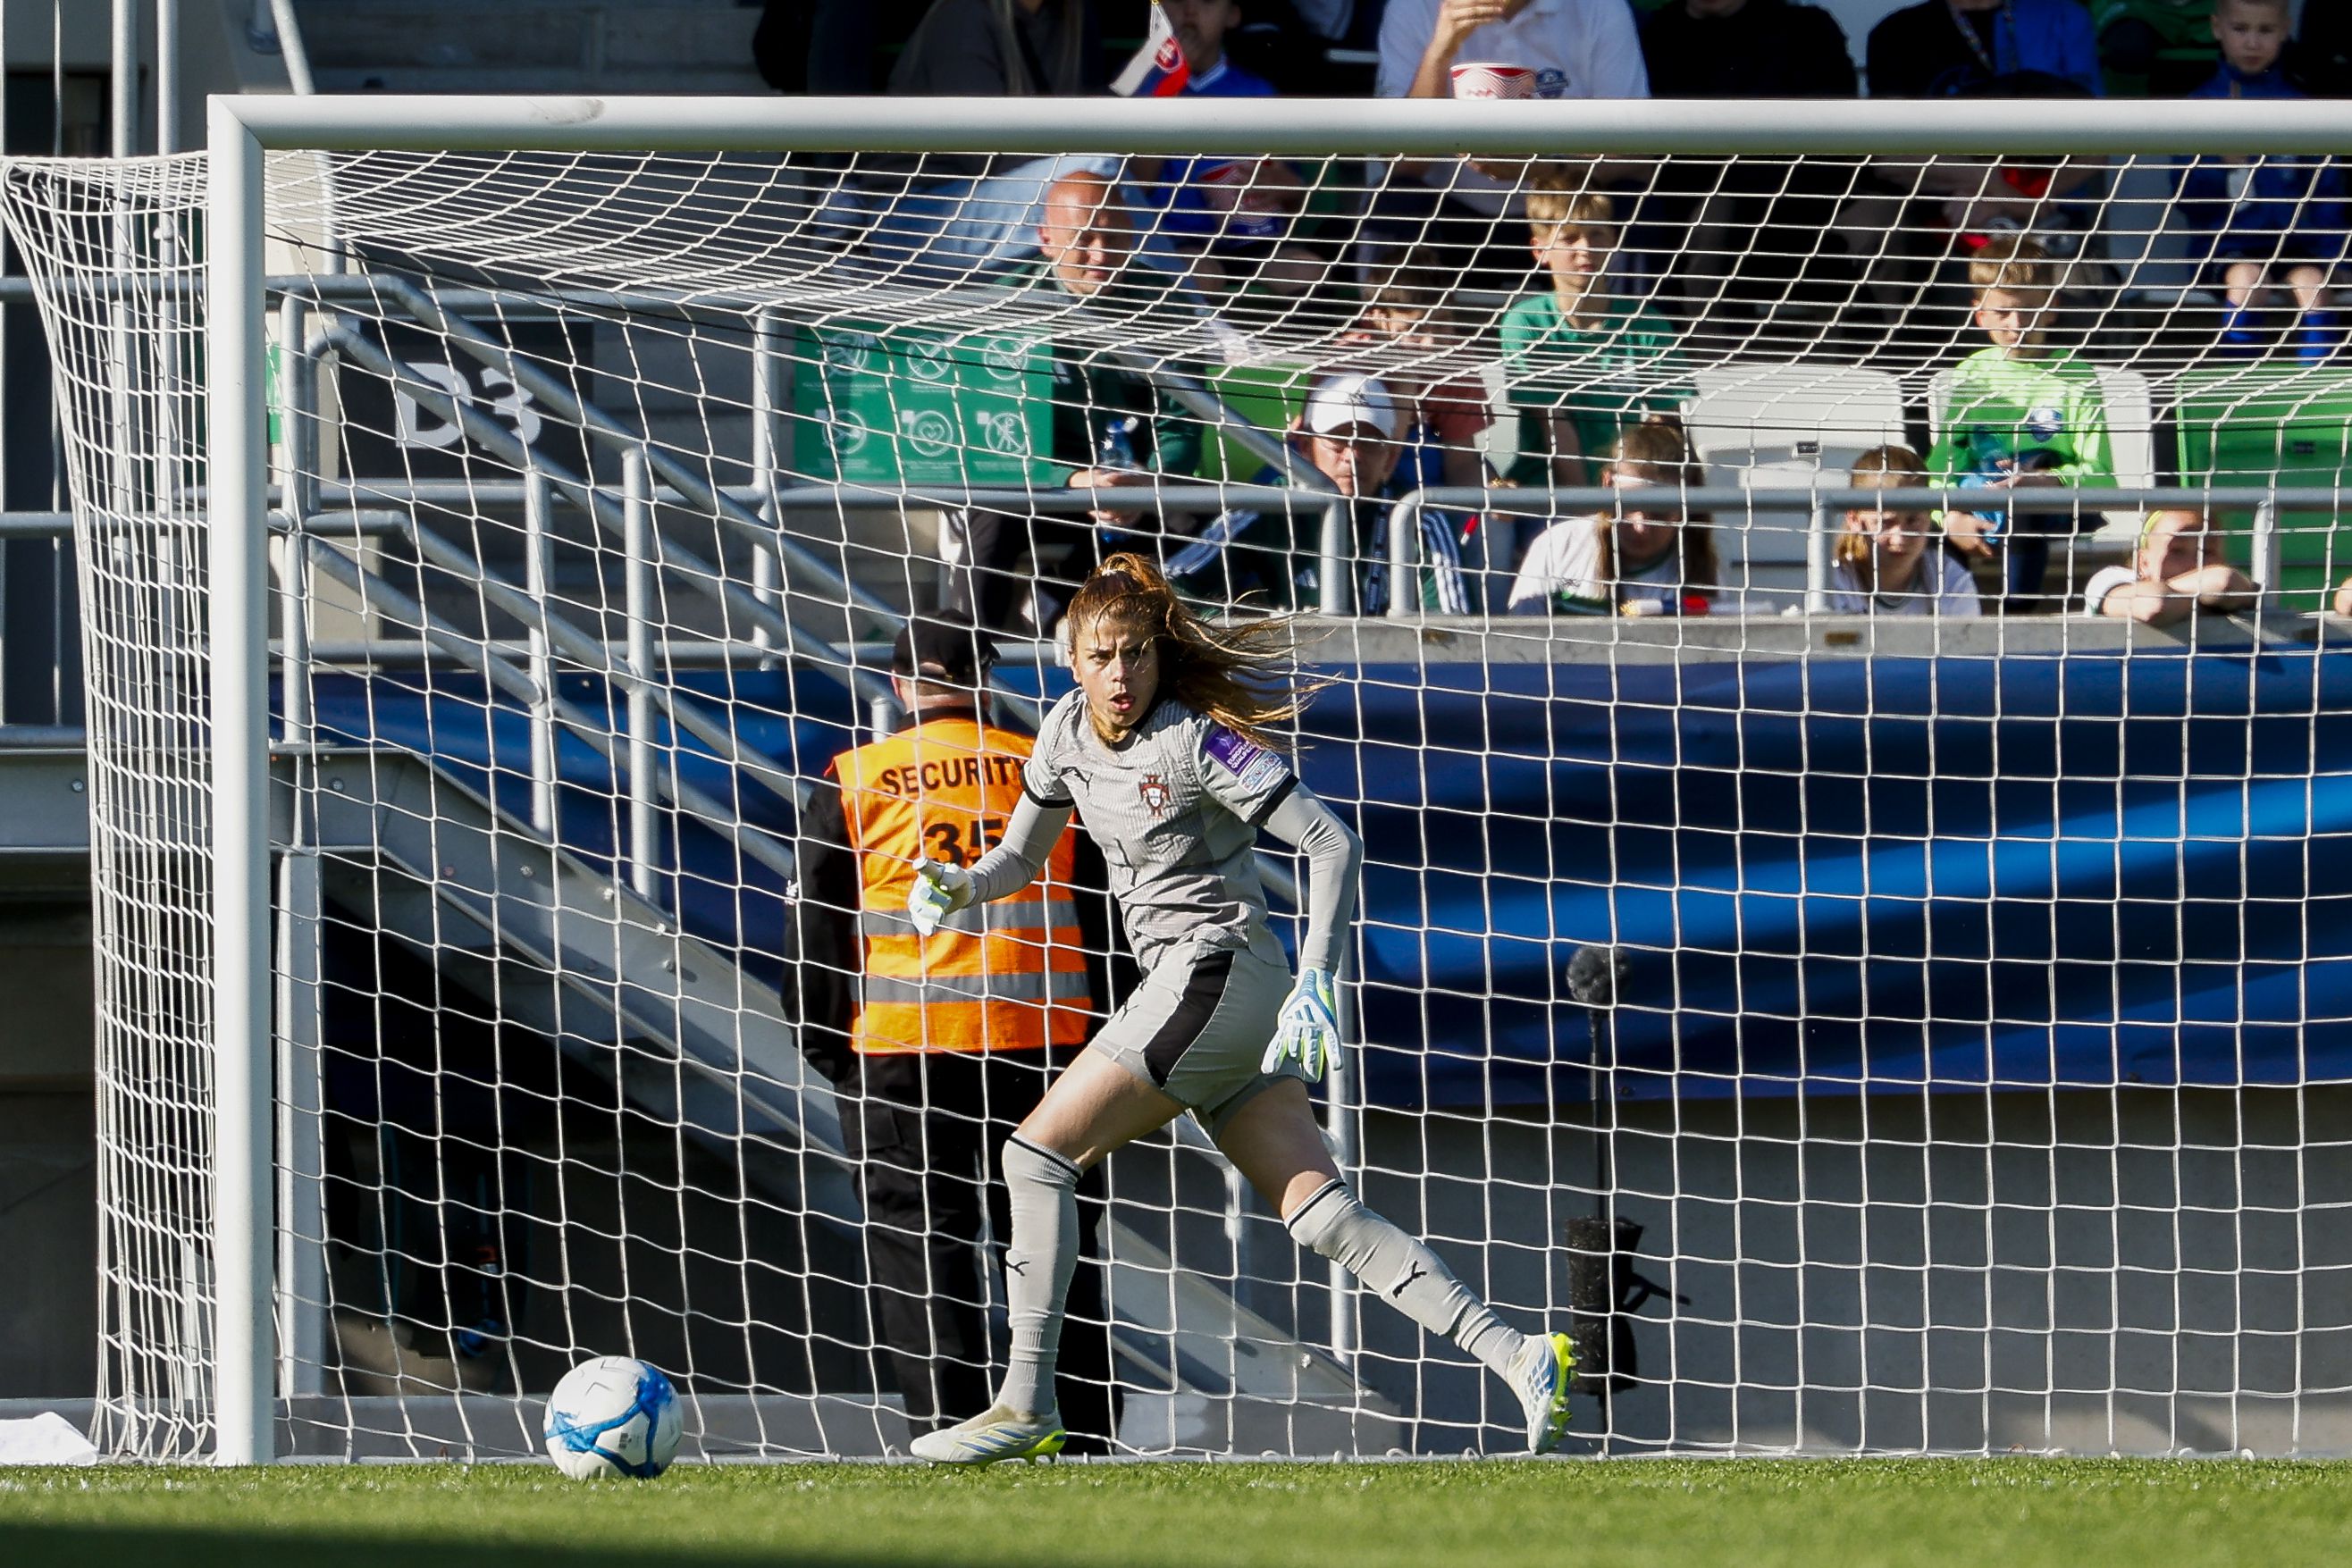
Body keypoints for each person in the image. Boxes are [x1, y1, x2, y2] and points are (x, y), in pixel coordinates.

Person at [900, 553, 1576, 1464]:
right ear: (1070, 660)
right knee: (1319, 1213)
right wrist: (959, 885)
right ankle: (1519, 1354)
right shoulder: (1060, 733)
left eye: (1135, 655)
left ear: (1158, 657)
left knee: (1033, 1158)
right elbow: (1020, 861)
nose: (1119, 675)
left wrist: (1317, 978)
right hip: (1210, 997)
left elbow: (1332, 841)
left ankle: (1025, 1404)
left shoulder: (1196, 739)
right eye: (1101, 656)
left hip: (1219, 977)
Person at [785, 613, 1126, 1453]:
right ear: (984, 677)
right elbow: (1103, 912)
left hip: (903, 1049)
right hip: (1045, 1042)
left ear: (899, 685)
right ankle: (1077, 1431)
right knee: (1053, 1239)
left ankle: (948, 1427)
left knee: (920, 1241)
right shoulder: (1043, 768)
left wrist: (828, 1043)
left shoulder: (857, 775)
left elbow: (821, 924)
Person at [943, 172, 1205, 633]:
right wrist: (1071, 478)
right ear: (1046, 239)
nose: (1101, 254)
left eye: (1115, 237)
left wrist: (1146, 480)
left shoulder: (1168, 308)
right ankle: (968, 661)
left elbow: (1183, 426)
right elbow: (990, 439)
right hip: (1044, 488)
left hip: (1135, 491)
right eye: (1084, 238)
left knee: (1217, 510)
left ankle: (1061, 606)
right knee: (994, 501)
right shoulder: (1008, 306)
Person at [1367, 0, 1651, 292]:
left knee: (1632, 201)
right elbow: (1401, 162)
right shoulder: (1413, 7)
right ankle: (1389, 333)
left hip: (1562, 212)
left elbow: (1634, 151)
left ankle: (1630, 334)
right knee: (1394, 199)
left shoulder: (1600, 8)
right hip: (1450, 213)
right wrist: (1440, 52)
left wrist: (1544, 168)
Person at [1160, 373, 1474, 614]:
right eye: (1337, 441)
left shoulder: (1419, 519)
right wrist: (1242, 632)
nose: (1352, 456)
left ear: (1390, 459)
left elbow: (1451, 624)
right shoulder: (1266, 507)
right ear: (1304, 447)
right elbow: (1173, 584)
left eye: (1368, 442)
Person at [1634, 0, 1859, 323]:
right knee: (1716, 223)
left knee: (1883, 226)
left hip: (1807, 192)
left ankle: (1886, 370)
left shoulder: (1807, 26)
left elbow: (1844, 127)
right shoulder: (1656, 34)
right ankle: (1715, 369)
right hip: (1704, 195)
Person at [1927, 235, 2114, 606]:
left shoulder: (2076, 377)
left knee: (2021, 503)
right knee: (1915, 524)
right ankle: (1952, 621)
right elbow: (1942, 469)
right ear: (1980, 314)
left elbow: (2103, 477)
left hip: (2051, 504)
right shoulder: (1971, 375)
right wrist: (1948, 518)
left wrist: (2048, 480)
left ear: (2053, 306)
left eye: (2030, 311)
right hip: (1982, 497)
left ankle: (2017, 615)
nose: (2018, 325)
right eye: (2003, 313)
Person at [2174, 0, 2347, 362]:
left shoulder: (2302, 107)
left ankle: (2317, 383)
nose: (2252, 42)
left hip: (2296, 245)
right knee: (2249, 281)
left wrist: (2335, 257)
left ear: (2284, 31)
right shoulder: (2200, 107)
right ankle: (2240, 380)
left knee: (2314, 286)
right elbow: (2185, 196)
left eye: (2265, 31)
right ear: (2217, 28)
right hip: (2228, 247)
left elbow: (2326, 191)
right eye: (2241, 29)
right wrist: (2221, 168)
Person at [1499, 187, 1688, 490]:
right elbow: (1554, 429)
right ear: (1540, 250)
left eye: (1597, 235)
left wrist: (1637, 488)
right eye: (1570, 238)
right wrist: (1588, 513)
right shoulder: (1526, 322)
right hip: (1546, 491)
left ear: (1614, 242)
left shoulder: (1647, 324)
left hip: (1627, 489)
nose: (1586, 248)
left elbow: (1664, 424)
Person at [1505, 420, 1718, 615]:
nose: (1641, 526)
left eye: (1660, 512)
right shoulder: (1557, 546)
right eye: (1629, 505)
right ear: (1608, 485)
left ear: (1685, 508)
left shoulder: (1705, 575)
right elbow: (1518, 641)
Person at [1826, 446, 1985, 617]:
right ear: (1854, 520)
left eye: (1913, 520)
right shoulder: (1835, 583)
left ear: (1929, 514)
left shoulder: (1949, 578)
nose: (1900, 538)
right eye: (1885, 523)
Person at [1866, 0, 2102, 99]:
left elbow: (2096, 135)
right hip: (1939, 197)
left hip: (2053, 197)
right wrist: (1992, 190)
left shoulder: (2064, 17)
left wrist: (2014, 200)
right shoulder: (1896, 33)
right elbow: (1890, 156)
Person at [2079, 507, 2255, 623]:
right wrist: (2202, 596)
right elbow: (2155, 605)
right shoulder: (2110, 578)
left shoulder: (2236, 583)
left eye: (2207, 551)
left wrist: (2177, 595)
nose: (2194, 563)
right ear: (2143, 562)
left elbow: (2225, 582)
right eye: (2176, 551)